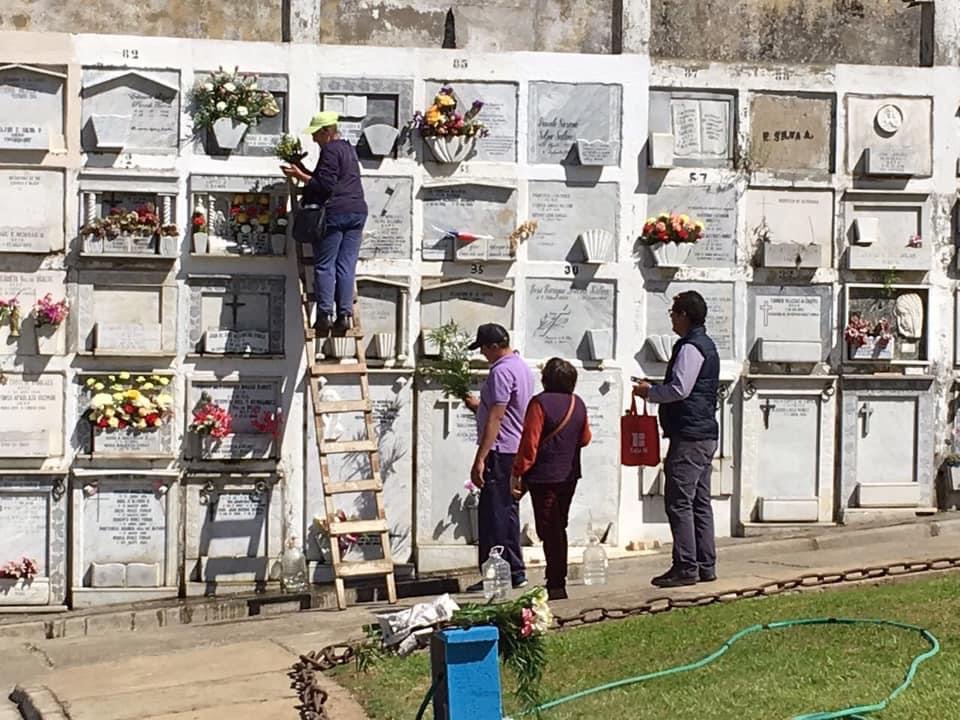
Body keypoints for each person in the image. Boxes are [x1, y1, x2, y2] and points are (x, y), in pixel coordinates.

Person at [633, 290, 719, 588]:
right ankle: (705, 564)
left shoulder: (691, 347)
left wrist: (650, 393)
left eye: (674, 312)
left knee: (680, 501)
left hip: (690, 435)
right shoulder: (704, 344)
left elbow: (680, 389)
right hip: (703, 432)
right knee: (699, 502)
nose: (671, 316)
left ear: (684, 315)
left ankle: (686, 565)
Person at [510, 358, 591, 601]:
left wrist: (518, 472)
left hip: (544, 477)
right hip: (569, 474)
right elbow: (585, 437)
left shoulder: (540, 403)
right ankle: (556, 580)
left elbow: (530, 443)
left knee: (549, 529)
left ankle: (556, 582)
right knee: (558, 527)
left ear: (547, 379)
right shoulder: (579, 404)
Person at [463, 323, 535, 591]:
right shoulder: (521, 367)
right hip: (514, 448)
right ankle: (515, 570)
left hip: (501, 450)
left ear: (494, 346)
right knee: (508, 511)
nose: (482, 353)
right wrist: (478, 407)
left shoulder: (501, 372)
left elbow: (498, 415)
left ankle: (495, 574)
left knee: (493, 515)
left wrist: (480, 458)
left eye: (483, 348)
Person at [281, 111, 367, 335]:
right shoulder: (348, 148)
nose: (314, 139)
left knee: (325, 264)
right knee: (346, 265)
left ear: (327, 132)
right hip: (357, 212)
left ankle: (325, 314)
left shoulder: (329, 149)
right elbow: (329, 180)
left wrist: (299, 176)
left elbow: (325, 185)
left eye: (316, 134)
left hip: (335, 213)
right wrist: (305, 171)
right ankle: (344, 316)